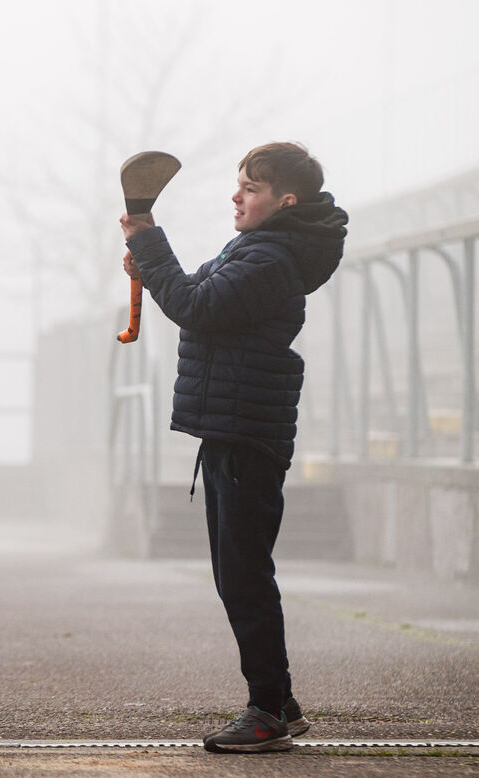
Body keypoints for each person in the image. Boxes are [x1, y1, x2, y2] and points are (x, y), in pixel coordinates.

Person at [119, 142, 348, 753]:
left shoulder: (271, 259)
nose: (236, 195)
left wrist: (147, 239)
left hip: (246, 435)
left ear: (285, 201)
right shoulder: (257, 248)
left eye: (249, 187)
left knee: (244, 576)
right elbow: (194, 291)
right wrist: (151, 257)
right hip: (233, 429)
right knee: (237, 574)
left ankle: (266, 712)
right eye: (238, 184)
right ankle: (282, 701)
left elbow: (195, 306)